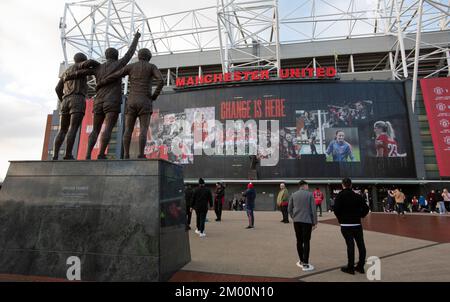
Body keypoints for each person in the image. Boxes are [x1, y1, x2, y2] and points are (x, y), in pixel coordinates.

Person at [63, 31, 141, 159]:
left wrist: (68, 75)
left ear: (106, 56)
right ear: (116, 56)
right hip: (112, 101)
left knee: (95, 129)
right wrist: (136, 37)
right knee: (108, 128)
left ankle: (88, 154)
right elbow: (130, 52)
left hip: (98, 101)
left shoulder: (97, 68)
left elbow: (81, 73)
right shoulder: (119, 64)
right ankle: (100, 154)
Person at [97, 48, 164, 159]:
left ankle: (126, 154)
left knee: (128, 129)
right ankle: (141, 154)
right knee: (143, 129)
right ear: (149, 57)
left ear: (139, 56)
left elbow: (116, 75)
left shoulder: (131, 66)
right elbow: (161, 80)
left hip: (132, 101)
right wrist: (154, 96)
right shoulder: (152, 67)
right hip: (145, 101)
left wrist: (102, 82)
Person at [53, 53, 100, 160]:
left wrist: (62, 99)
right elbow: (91, 63)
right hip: (77, 99)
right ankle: (68, 154)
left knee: (62, 130)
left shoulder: (66, 71)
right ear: (82, 60)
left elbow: (57, 88)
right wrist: (99, 66)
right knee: (73, 128)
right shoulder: (79, 66)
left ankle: (55, 155)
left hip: (65, 100)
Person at [334, 178, 369, 275]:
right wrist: (361, 215)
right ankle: (360, 266)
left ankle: (350, 267)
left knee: (350, 245)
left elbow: (336, 210)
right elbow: (366, 208)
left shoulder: (340, 196)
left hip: (345, 225)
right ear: (351, 185)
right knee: (361, 244)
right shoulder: (357, 196)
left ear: (343, 185)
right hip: (357, 224)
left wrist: (341, 219)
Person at [288, 180, 317, 272]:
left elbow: (289, 208)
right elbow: (313, 210)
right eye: (307, 185)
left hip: (297, 221)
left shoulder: (293, 194)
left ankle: (301, 260)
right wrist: (314, 222)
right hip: (307, 221)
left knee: (299, 241)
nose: (308, 187)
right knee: (306, 241)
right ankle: (305, 263)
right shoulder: (310, 195)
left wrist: (293, 217)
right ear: (304, 186)